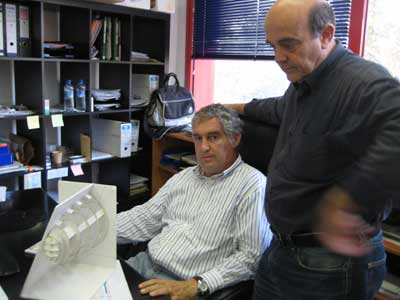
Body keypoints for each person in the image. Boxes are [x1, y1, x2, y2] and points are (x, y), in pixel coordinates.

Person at [226, 0, 400, 299]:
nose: (279, 57)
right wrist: (234, 106)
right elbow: (279, 109)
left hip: (329, 264)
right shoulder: (303, 82)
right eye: (272, 46)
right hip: (282, 250)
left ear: (326, 35)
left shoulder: (362, 82)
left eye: (289, 44)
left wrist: (347, 199)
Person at [117, 104, 271, 300]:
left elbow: (251, 257)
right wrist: (93, 229)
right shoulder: (184, 177)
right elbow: (144, 218)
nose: (204, 147)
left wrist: (196, 284)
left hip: (183, 285)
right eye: (198, 138)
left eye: (213, 137)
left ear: (235, 139)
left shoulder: (252, 187)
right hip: (144, 265)